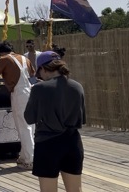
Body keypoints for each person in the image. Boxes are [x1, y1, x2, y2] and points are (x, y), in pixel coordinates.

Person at [24, 51, 86, 192]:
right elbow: (81, 119)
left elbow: (29, 117)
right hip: (72, 142)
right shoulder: (77, 87)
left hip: (47, 143)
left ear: (43, 69)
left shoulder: (39, 88)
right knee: (75, 190)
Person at [0, 41, 35, 169]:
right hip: (30, 91)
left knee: (23, 126)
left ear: (1, 53)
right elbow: (33, 76)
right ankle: (25, 155)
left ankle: (30, 159)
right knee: (30, 126)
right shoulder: (25, 59)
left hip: (19, 94)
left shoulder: (4, 59)